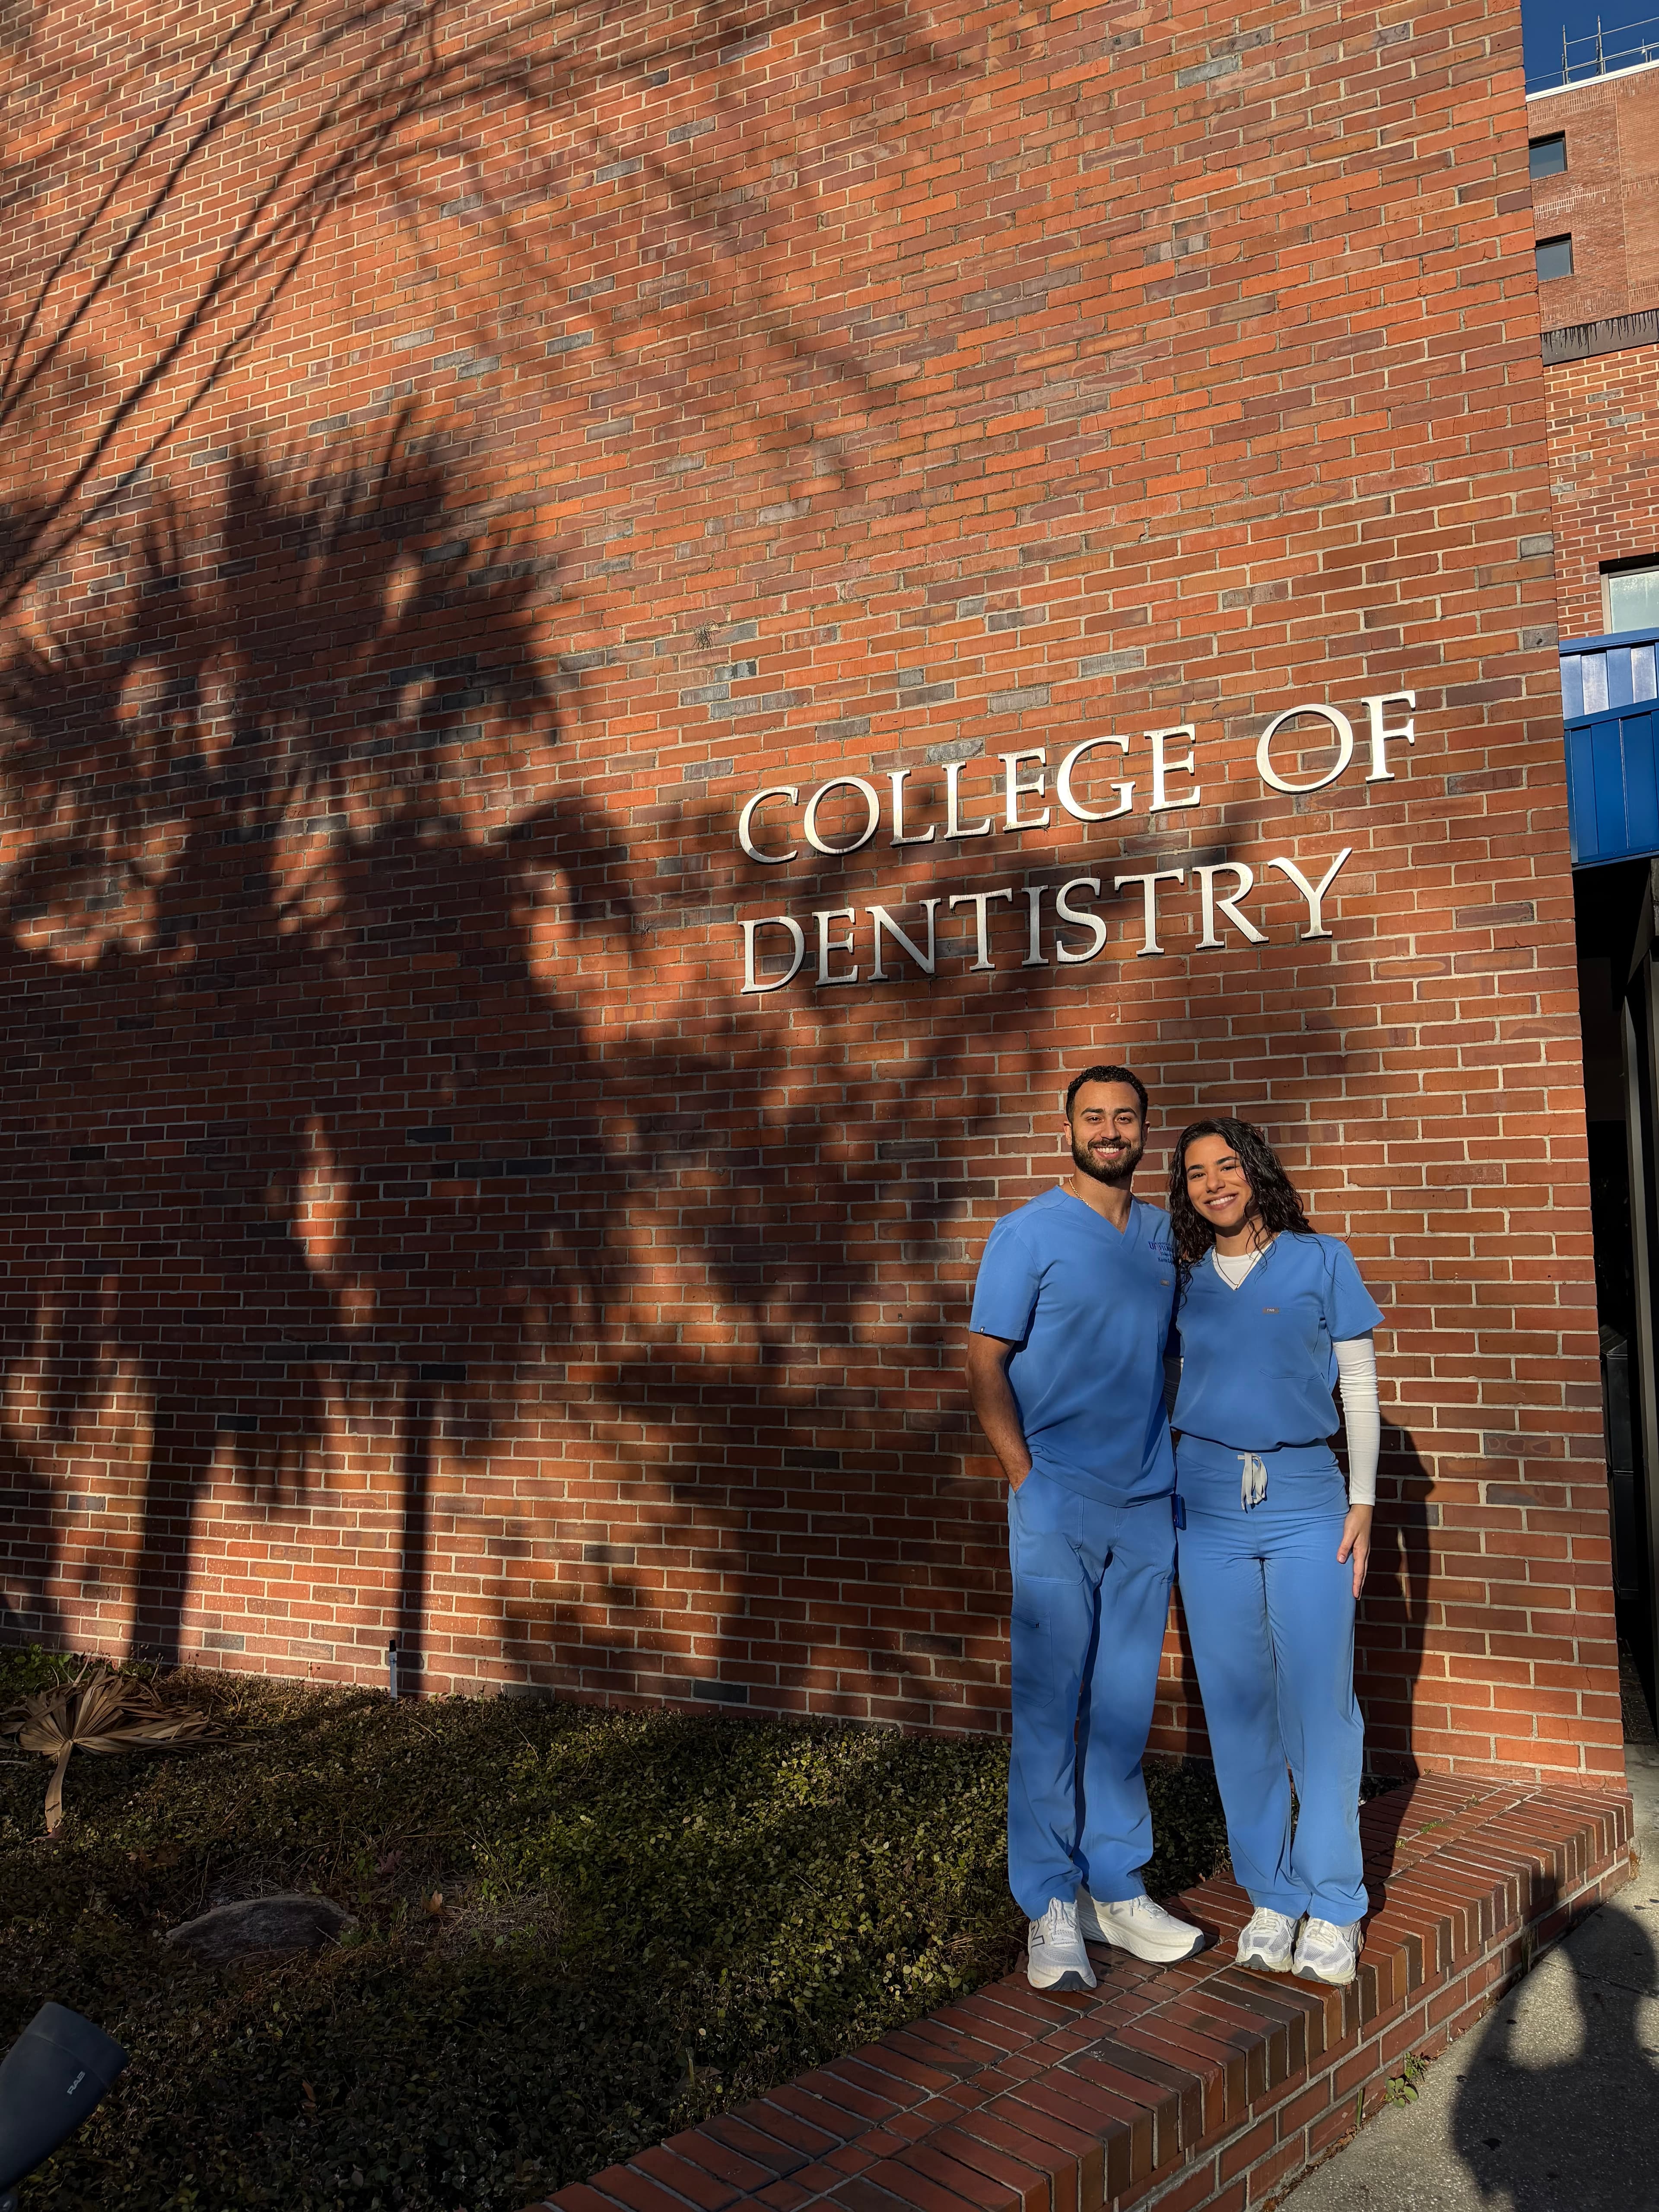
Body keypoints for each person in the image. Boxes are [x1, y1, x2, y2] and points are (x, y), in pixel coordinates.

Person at [966, 1064, 1205, 1993]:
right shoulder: (1025, 1233)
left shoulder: (1161, 1238)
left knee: (1122, 1705)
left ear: (1147, 1130)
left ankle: (1117, 1884)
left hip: (1148, 1503)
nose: (1110, 1130)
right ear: (1066, 1126)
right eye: (1094, 1117)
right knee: (1049, 1702)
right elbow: (985, 1364)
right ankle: (1050, 1902)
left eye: (1126, 1118)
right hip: (1057, 1496)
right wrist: (1024, 1475)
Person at [1166, 1117, 1383, 1987]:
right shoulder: (1181, 1281)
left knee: (1319, 1704)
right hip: (1206, 1502)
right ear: (1183, 1193)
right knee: (1238, 1704)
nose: (1214, 1182)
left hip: (1305, 1500)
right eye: (1194, 1174)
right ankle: (1272, 1888)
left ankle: (1334, 1899)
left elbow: (1359, 1383)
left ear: (1256, 1173)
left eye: (1228, 1166)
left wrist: (1363, 1501)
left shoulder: (1321, 1259)